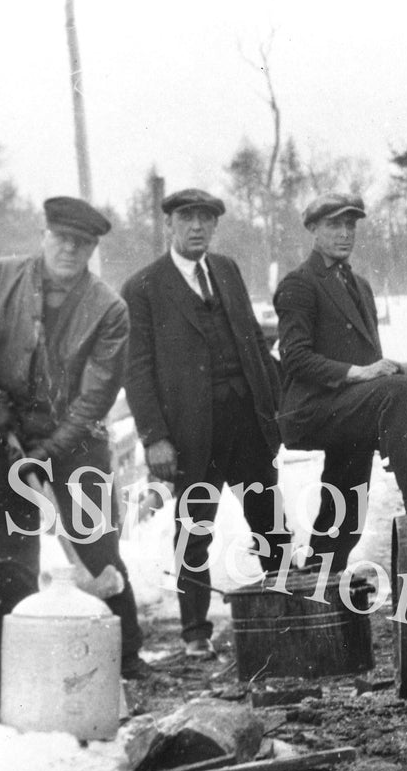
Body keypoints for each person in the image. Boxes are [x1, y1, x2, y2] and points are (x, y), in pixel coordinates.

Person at [0, 196, 148, 678]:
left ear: (93, 249)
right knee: (12, 555)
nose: (70, 250)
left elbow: (94, 399)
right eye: (62, 239)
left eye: (82, 244)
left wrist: (47, 453)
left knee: (96, 545)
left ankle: (126, 653)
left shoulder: (108, 309)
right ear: (43, 237)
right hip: (0, 436)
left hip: (75, 442)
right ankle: (13, 666)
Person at [120, 188, 291, 661]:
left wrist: (273, 409)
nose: (197, 226)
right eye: (186, 218)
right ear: (170, 226)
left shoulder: (228, 271)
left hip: (246, 423)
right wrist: (155, 437)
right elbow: (137, 371)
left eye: (205, 219)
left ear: (215, 226)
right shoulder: (143, 288)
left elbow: (255, 342)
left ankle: (285, 610)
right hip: (191, 433)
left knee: (270, 521)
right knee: (194, 528)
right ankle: (196, 631)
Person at [274, 193, 407, 572]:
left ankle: (320, 579)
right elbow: (295, 357)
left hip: (350, 409)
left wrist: (375, 383)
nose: (345, 234)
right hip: (313, 408)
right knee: (397, 388)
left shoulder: (359, 285)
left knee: (346, 514)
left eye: (350, 225)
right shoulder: (299, 284)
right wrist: (358, 374)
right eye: (334, 225)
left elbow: (370, 355)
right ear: (313, 229)